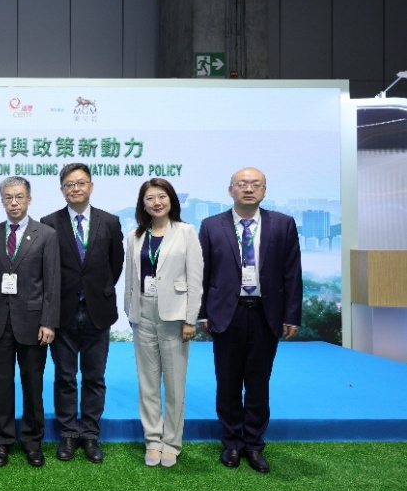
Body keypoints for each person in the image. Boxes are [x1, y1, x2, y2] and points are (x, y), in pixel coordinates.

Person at [199, 167, 302, 474]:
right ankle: (232, 442)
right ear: (230, 189)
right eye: (242, 184)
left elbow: (292, 273)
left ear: (264, 190)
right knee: (228, 381)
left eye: (255, 184)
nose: (248, 189)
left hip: (265, 313)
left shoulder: (282, 224)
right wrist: (202, 312)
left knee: (258, 382)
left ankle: (254, 444)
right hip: (226, 314)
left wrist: (291, 315)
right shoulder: (211, 225)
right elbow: (203, 273)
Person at [40, 162, 124, 464]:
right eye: (69, 184)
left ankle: (89, 434)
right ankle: (67, 433)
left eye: (80, 183)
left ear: (91, 186)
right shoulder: (49, 223)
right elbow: (46, 269)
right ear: (62, 189)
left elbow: (115, 265)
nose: (75, 188)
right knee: (64, 377)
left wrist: (95, 290)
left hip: (97, 312)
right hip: (62, 313)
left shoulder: (109, 222)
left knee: (94, 377)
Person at [124, 178, 203, 468]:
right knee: (147, 384)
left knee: (174, 385)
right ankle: (153, 440)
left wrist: (190, 319)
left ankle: (171, 442)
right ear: (142, 204)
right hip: (142, 313)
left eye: (162, 197)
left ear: (171, 200)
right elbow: (130, 279)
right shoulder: (134, 236)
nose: (156, 202)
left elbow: (195, 279)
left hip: (175, 316)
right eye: (150, 198)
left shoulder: (186, 232)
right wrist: (130, 311)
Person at [0, 176, 60, 468]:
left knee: (33, 384)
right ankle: (2, 441)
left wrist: (49, 322)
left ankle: (32, 441)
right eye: (8, 197)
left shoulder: (46, 235)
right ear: (2, 201)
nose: (13, 203)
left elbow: (52, 283)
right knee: (2, 384)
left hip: (33, 323)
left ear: (29, 199)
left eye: (19, 197)